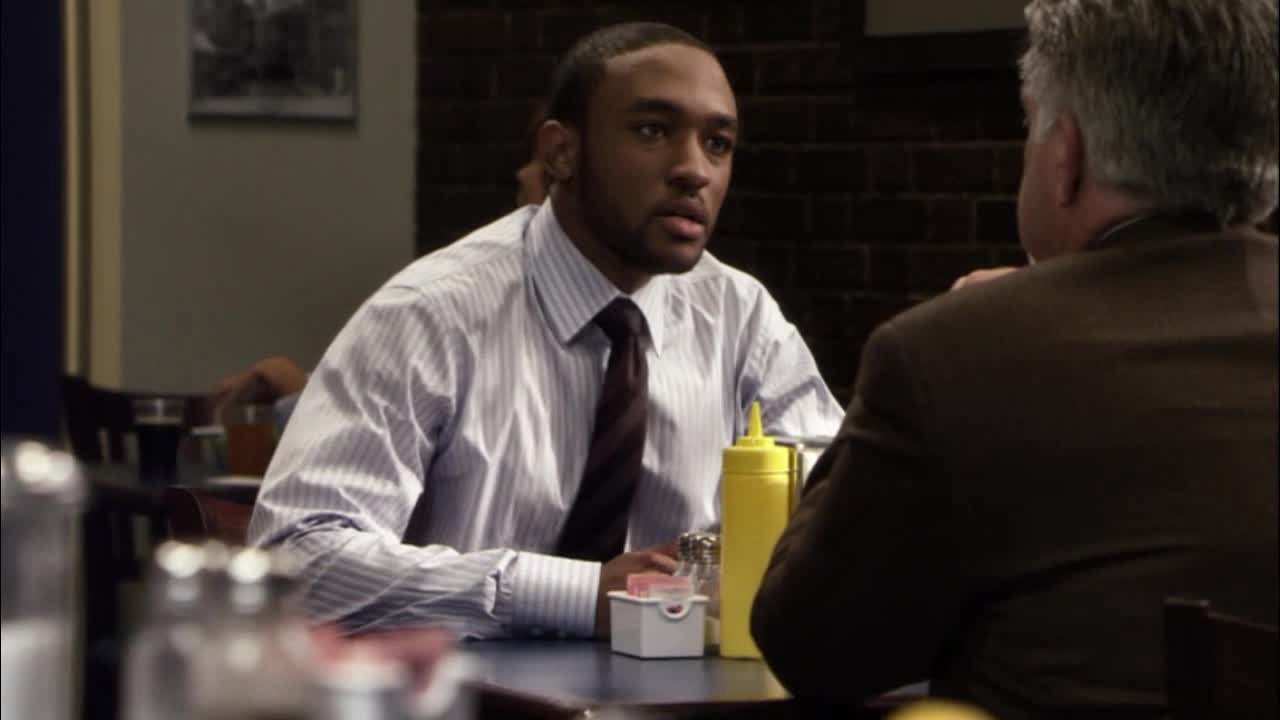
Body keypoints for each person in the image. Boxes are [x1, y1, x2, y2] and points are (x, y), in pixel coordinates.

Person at [751, 1, 1278, 717]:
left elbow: (808, 645)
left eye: (1029, 125)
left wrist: (966, 332)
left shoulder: (956, 355)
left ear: (1066, 157)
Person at [248, 22, 842, 641]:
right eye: (652, 131)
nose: (694, 170)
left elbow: (843, 510)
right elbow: (299, 562)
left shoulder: (740, 316)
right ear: (561, 152)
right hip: (461, 686)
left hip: (686, 681)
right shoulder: (430, 313)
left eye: (718, 144)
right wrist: (577, 595)